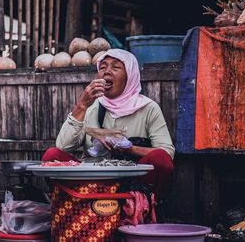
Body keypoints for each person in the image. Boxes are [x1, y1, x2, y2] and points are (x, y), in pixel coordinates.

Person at [42, 49, 174, 200]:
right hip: (90, 182)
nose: (107, 72)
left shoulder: (148, 108)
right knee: (52, 156)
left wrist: (130, 148)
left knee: (160, 158)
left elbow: (167, 153)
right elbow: (62, 147)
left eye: (115, 67)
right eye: (103, 67)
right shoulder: (90, 106)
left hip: (132, 183)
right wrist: (81, 106)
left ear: (130, 75)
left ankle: (138, 207)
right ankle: (76, 206)